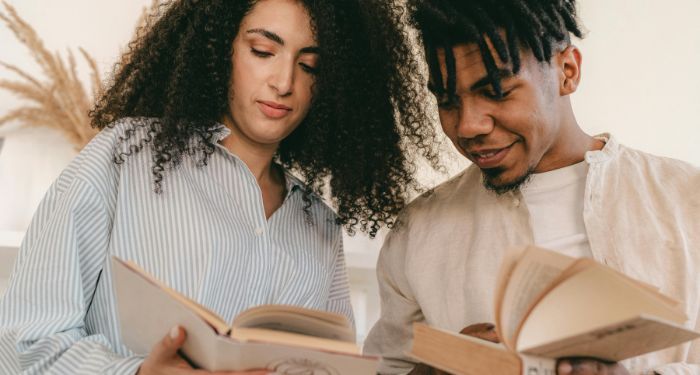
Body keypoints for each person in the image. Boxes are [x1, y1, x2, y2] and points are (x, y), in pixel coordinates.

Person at [0, 0, 437, 374]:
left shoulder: (318, 226)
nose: (284, 83)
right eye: (263, 50)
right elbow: (21, 344)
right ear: (220, 48)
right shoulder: (124, 155)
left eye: (309, 66)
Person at [364, 0, 700, 374]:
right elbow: (386, 367)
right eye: (447, 100)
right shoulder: (418, 231)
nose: (467, 126)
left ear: (567, 71)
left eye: (496, 91)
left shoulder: (687, 199)